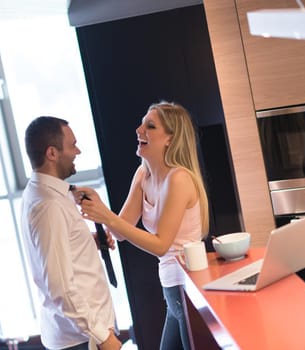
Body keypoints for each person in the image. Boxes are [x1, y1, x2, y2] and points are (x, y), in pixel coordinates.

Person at [77, 102, 209, 350]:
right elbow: (120, 230)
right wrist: (99, 209)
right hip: (172, 291)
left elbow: (161, 245)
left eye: (150, 126)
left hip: (189, 288)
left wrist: (106, 215)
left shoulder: (179, 179)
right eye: (142, 123)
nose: (139, 130)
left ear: (170, 138)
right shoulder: (143, 175)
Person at [20, 116, 121, 350]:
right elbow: (60, 287)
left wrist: (87, 243)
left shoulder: (47, 191)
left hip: (84, 334)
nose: (78, 151)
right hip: (81, 340)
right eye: (72, 144)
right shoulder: (49, 205)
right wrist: (102, 337)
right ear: (52, 154)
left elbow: (54, 254)